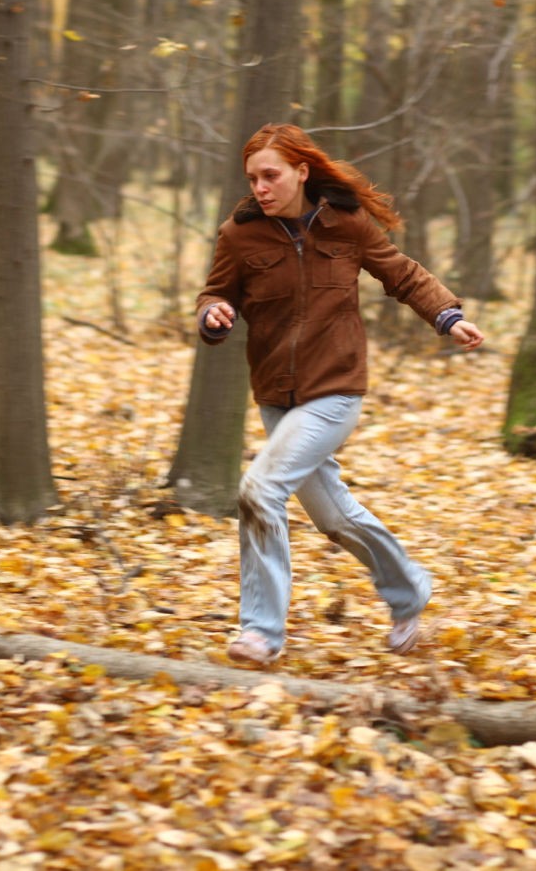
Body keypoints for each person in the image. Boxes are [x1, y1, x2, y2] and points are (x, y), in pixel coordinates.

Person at [195, 123, 485, 666]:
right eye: (253, 178)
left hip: (335, 388)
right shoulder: (239, 236)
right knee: (333, 516)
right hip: (276, 393)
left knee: (260, 489)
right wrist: (213, 315)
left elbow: (402, 274)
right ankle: (409, 591)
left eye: (271, 175)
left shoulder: (346, 225)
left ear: (302, 172)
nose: (260, 187)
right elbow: (216, 293)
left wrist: (448, 316)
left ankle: (259, 632)